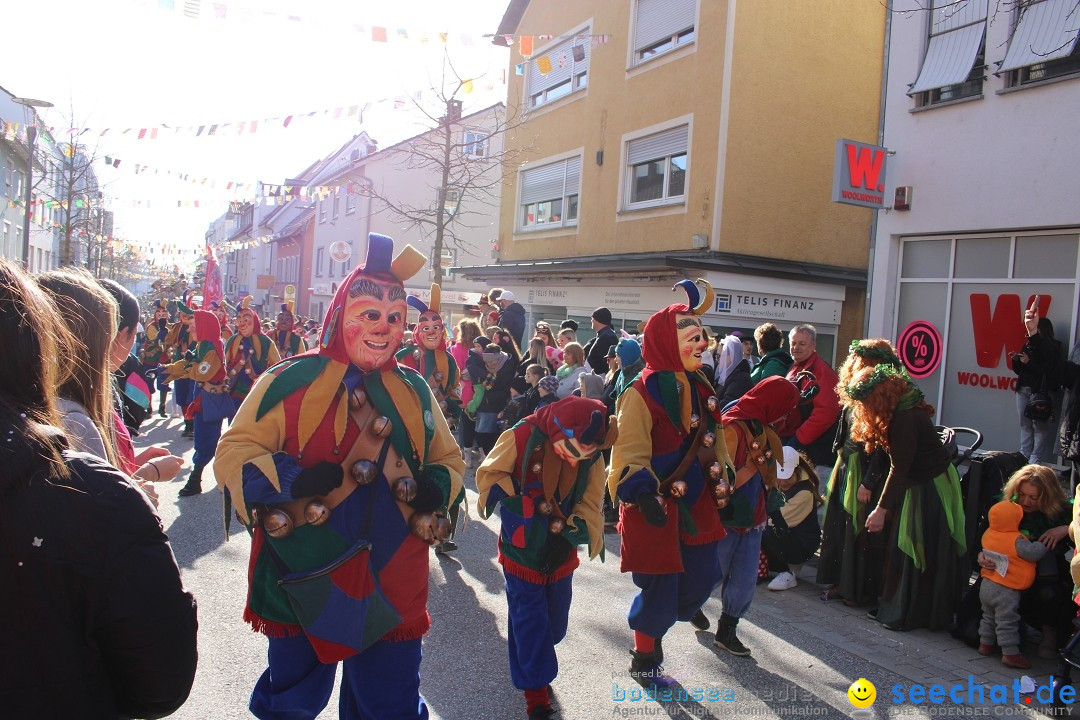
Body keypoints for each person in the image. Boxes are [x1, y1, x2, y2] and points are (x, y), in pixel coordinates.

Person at [214, 233, 465, 719]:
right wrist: (290, 481)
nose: (384, 328)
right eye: (370, 313)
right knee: (291, 703)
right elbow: (237, 449)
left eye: (394, 318)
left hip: (394, 572)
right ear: (341, 314)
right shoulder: (288, 378)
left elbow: (449, 460)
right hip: (306, 567)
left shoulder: (414, 389)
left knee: (388, 705)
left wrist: (436, 486)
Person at [0, 259, 198, 718]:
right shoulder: (89, 488)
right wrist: (134, 498)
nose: (122, 348)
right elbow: (159, 682)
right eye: (115, 335)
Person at [608, 279, 733, 687]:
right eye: (692, 337)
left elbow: (716, 438)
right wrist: (639, 490)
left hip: (698, 502)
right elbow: (627, 450)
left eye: (703, 337)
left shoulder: (703, 386)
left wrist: (725, 475)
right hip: (656, 503)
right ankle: (645, 648)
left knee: (704, 575)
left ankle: (658, 624)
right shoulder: (639, 392)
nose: (702, 344)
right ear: (665, 340)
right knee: (658, 583)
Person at [476, 396, 616, 720]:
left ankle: (533, 657)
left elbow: (593, 498)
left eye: (587, 453)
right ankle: (535, 695)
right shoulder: (520, 435)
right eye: (574, 449)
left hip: (560, 551)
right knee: (529, 619)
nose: (579, 458)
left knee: (553, 625)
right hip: (521, 551)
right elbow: (489, 472)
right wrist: (510, 498)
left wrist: (576, 529)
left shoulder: (590, 455)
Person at [847, 363, 967, 631]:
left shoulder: (904, 419)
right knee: (905, 547)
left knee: (913, 548)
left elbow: (899, 468)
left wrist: (881, 509)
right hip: (920, 481)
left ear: (878, 397)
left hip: (930, 486)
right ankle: (900, 607)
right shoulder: (902, 408)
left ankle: (909, 612)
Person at [707, 376, 801, 656]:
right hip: (729, 516)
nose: (786, 413)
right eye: (786, 406)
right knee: (711, 574)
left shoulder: (763, 425)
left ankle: (727, 629)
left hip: (754, 516)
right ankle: (690, 606)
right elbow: (719, 472)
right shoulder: (734, 425)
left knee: (745, 577)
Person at [816, 339, 896, 607]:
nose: (856, 366)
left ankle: (858, 589)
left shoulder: (883, 395)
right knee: (840, 525)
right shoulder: (857, 390)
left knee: (859, 530)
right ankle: (840, 581)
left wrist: (868, 482)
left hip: (864, 470)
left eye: (863, 362)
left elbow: (883, 446)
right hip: (846, 464)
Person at [979, 464, 1073, 660]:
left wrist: (1067, 528)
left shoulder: (1059, 512)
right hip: (1002, 575)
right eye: (1022, 495)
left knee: (1049, 592)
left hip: (1045, 576)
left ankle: (1049, 631)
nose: (1026, 501)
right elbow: (983, 539)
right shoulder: (1005, 510)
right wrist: (981, 556)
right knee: (971, 632)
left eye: (1033, 497)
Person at [163, 310, 234, 498]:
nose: (190, 327)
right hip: (204, 397)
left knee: (206, 438)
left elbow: (203, 372)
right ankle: (220, 477)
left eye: (194, 324)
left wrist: (182, 369)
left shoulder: (211, 346)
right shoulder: (204, 344)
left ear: (204, 326)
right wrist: (169, 369)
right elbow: (193, 364)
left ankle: (197, 479)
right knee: (206, 437)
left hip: (208, 399)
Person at [979, 499, 1048, 669]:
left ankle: (985, 644)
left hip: (987, 584)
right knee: (1007, 621)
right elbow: (1032, 553)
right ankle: (1010, 653)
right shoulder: (1016, 539)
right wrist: (1041, 545)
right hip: (1005, 588)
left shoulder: (988, 533)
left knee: (988, 616)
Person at [775, 324, 840, 472]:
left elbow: (826, 412)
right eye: (793, 343)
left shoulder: (821, 370)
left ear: (813, 345)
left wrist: (798, 439)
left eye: (802, 343)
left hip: (814, 450)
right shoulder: (795, 368)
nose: (796, 347)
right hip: (793, 441)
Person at [398, 284, 462, 423]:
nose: (431, 332)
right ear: (417, 331)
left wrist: (453, 408)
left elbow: (454, 385)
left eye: (436, 327)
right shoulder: (407, 354)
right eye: (426, 328)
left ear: (441, 331)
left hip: (440, 418)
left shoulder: (448, 359)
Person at [761, 446, 823, 591]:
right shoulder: (776, 481)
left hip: (801, 544)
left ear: (797, 471)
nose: (782, 482)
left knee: (764, 528)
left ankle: (786, 571)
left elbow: (779, 519)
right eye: (780, 477)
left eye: (787, 478)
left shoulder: (805, 493)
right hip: (787, 536)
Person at [1012, 316, 1061, 465]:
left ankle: (1035, 458)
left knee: (1039, 425)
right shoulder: (1027, 346)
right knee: (1024, 422)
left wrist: (1029, 362)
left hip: (1041, 392)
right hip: (1024, 388)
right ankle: (1024, 453)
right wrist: (1017, 360)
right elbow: (1020, 371)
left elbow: (1047, 371)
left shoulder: (1053, 348)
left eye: (1035, 329)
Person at [166, 292, 198, 437]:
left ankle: (192, 425)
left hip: (192, 369)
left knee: (191, 398)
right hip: (179, 367)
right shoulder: (177, 327)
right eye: (182, 313)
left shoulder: (197, 329)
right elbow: (168, 342)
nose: (184, 316)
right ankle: (187, 424)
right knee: (181, 397)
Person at [452, 319, 484, 468]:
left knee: (466, 424)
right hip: (482, 391)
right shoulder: (482, 348)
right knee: (480, 424)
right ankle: (482, 455)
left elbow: (454, 371)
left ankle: (468, 458)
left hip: (464, 391)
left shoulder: (457, 349)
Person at [141, 298, 172, 417]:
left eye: (163, 314)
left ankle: (162, 407)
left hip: (164, 359)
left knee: (164, 383)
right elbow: (156, 342)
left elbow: (171, 341)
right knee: (148, 382)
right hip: (151, 359)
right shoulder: (151, 326)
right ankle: (148, 407)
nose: (161, 316)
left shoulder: (170, 326)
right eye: (158, 314)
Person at [714, 335, 752, 406]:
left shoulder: (741, 378)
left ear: (732, 356)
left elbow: (727, 405)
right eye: (717, 356)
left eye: (720, 356)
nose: (718, 360)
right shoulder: (728, 374)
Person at [583, 307, 618, 374]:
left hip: (599, 380)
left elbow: (606, 365)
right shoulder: (604, 335)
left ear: (597, 320)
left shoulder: (606, 337)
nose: (591, 321)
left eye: (592, 318)